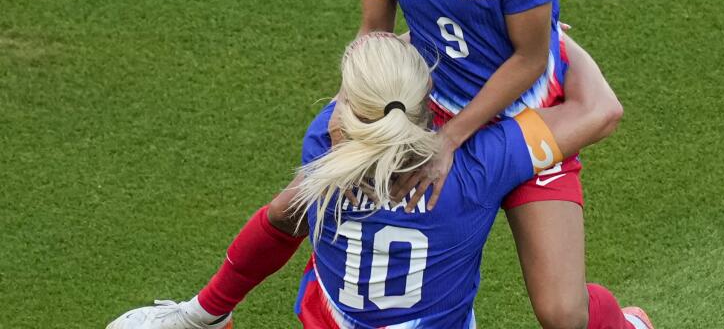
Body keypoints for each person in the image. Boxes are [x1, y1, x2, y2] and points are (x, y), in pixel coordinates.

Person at [107, 0, 654, 329]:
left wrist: (451, 140)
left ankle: (626, 324)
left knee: (562, 315)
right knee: (296, 204)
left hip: (518, 113)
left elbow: (533, 58)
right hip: (424, 108)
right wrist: (350, 118)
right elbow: (375, 33)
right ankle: (199, 314)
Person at [108, 34, 652, 329]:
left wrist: (204, 309)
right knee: (566, 313)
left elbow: (280, 219)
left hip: (327, 318)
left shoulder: (323, 142)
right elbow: (601, 109)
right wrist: (549, 40)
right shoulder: (480, 163)